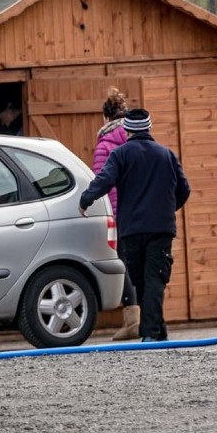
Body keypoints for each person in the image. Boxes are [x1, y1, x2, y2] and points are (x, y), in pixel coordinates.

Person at [79, 108, 190, 342]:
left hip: (131, 229)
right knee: (155, 279)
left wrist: (85, 200)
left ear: (127, 130)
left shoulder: (120, 155)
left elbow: (104, 180)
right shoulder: (167, 155)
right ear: (150, 128)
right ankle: (158, 333)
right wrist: (167, 209)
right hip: (161, 228)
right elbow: (184, 190)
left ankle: (150, 334)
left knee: (141, 281)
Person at [92, 88, 140, 341]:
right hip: (142, 210)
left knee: (124, 263)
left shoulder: (106, 143)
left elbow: (102, 182)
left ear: (105, 117)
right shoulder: (138, 138)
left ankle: (133, 321)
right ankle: (148, 318)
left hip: (119, 213)